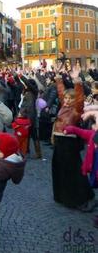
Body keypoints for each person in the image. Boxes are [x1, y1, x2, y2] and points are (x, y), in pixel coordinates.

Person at [51, 66, 95, 212]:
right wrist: (58, 78)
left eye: (71, 98)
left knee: (73, 171)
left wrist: (77, 80)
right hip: (59, 141)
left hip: (69, 143)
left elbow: (80, 98)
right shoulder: (64, 106)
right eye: (66, 98)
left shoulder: (76, 109)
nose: (68, 101)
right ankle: (64, 197)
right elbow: (61, 93)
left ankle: (83, 198)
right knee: (60, 169)